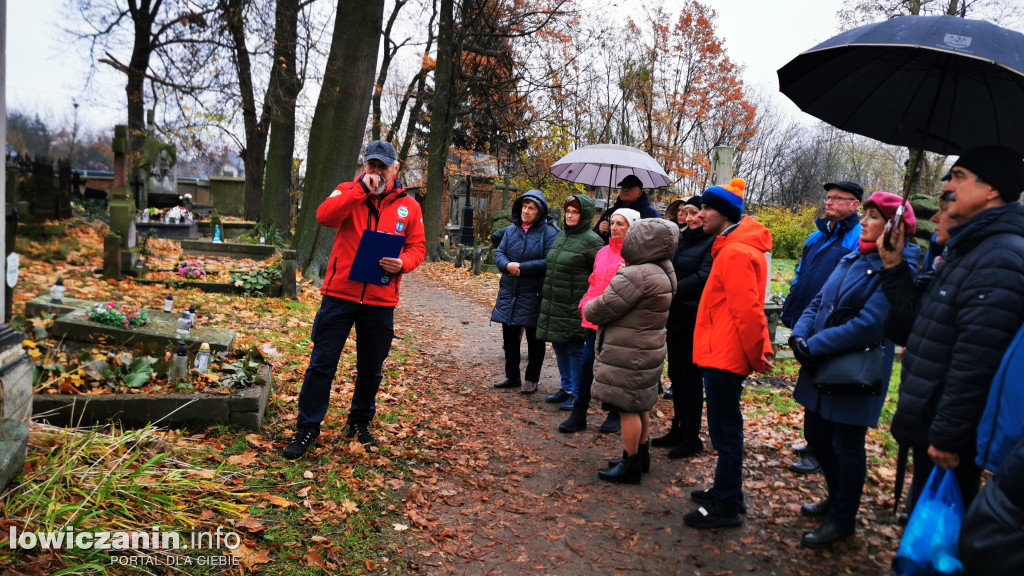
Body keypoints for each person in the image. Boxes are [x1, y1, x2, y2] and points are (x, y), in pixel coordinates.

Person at [878, 144, 1024, 513]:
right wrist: (894, 265)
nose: (948, 188)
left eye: (959, 178)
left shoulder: (1000, 256)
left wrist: (949, 434)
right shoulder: (965, 250)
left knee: (944, 539)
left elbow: (978, 358)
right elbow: (920, 328)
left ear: (992, 189)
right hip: (932, 416)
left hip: (952, 432)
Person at [789, 192, 920, 547]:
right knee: (816, 436)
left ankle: (843, 518)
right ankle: (836, 495)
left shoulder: (897, 269)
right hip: (821, 363)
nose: (863, 221)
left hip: (854, 371)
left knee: (847, 444)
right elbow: (819, 299)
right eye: (865, 214)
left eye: (873, 216)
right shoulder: (853, 255)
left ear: (894, 229)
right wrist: (799, 333)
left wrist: (813, 345)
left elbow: (870, 324)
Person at [283, 140, 425, 458]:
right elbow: (325, 216)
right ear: (365, 167)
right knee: (321, 365)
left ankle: (359, 423)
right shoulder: (347, 191)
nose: (376, 171)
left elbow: (418, 248)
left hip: (380, 300)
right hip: (340, 295)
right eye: (371, 165)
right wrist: (359, 190)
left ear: (395, 169)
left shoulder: (410, 208)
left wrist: (403, 263)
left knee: (371, 369)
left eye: (382, 167)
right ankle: (307, 428)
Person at [684, 177, 774, 529]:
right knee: (725, 429)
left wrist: (757, 354)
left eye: (706, 209)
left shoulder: (736, 251)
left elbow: (748, 311)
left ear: (724, 214)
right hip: (720, 350)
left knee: (725, 432)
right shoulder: (731, 245)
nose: (700, 214)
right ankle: (727, 492)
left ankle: (726, 506)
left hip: (725, 354)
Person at [584, 218, 678, 484]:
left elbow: (604, 307)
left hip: (629, 351)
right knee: (641, 406)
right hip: (648, 348)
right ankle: (641, 455)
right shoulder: (665, 268)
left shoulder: (636, 274)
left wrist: (588, 305)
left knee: (627, 408)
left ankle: (630, 463)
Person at [782, 180, 864, 475]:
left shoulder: (857, 237)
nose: (828, 202)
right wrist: (794, 295)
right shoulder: (816, 235)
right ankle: (813, 440)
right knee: (810, 380)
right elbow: (802, 270)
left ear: (855, 205)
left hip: (832, 324)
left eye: (837, 198)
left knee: (826, 382)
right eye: (828, 197)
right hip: (806, 317)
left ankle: (821, 448)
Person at [562, 208, 642, 434]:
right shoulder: (602, 252)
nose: (614, 228)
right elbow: (593, 284)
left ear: (632, 228)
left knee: (615, 370)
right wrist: (585, 304)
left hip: (619, 323)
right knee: (588, 365)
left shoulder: (636, 257)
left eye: (621, 224)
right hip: (595, 319)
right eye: (612, 223)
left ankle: (615, 412)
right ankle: (579, 412)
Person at [651, 196, 714, 458]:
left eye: (693, 213)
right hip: (675, 317)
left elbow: (703, 278)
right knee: (676, 374)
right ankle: (678, 427)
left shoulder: (711, 243)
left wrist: (670, 288)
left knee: (689, 379)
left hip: (694, 319)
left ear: (705, 214)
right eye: (684, 213)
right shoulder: (682, 239)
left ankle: (692, 436)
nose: (687, 218)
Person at [536, 195, 606, 411]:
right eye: (568, 211)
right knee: (558, 345)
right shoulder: (561, 236)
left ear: (583, 215)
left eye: (575, 212)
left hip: (576, 305)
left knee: (575, 348)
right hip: (555, 302)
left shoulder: (592, 241)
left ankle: (577, 392)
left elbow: (599, 274)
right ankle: (566, 387)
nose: (569, 215)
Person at [491, 190, 559, 394]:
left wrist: (521, 268)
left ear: (540, 212)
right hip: (510, 290)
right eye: (524, 207)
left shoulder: (549, 233)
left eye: (531, 208)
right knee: (509, 335)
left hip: (534, 292)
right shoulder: (512, 230)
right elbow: (499, 252)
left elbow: (549, 260)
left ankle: (531, 379)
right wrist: (506, 265)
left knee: (534, 338)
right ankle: (512, 376)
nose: (526, 211)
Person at [593, 174, 661, 243]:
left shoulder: (650, 215)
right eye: (623, 187)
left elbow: (658, 240)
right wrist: (599, 232)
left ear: (639, 193)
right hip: (608, 252)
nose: (625, 190)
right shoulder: (609, 212)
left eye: (630, 187)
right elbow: (593, 240)